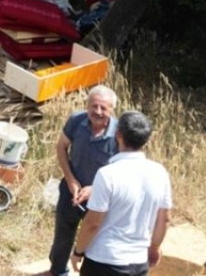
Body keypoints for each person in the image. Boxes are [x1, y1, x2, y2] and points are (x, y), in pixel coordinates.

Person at [70, 111, 173, 276]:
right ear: (147, 139)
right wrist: (154, 247)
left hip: (104, 260)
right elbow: (165, 218)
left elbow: (92, 223)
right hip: (139, 262)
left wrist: (78, 252)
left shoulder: (107, 174)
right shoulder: (160, 172)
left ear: (118, 135)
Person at [39, 86, 120, 276]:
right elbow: (61, 147)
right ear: (87, 105)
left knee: (95, 240)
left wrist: (94, 189)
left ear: (112, 110)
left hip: (100, 198)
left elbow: (121, 170)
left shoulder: (119, 134)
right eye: (94, 106)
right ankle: (58, 271)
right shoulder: (76, 120)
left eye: (103, 108)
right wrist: (70, 180)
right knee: (62, 236)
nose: (98, 112)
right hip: (71, 190)